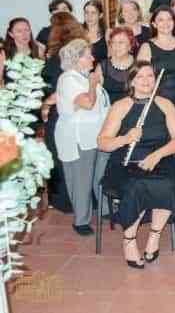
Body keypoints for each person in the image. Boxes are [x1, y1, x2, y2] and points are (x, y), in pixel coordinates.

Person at [97, 61, 175, 269]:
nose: (146, 81)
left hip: (159, 159)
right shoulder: (121, 106)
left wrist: (158, 154)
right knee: (136, 186)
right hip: (125, 163)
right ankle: (129, 240)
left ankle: (154, 236)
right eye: (140, 77)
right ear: (132, 82)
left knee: (168, 184)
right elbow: (102, 142)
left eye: (150, 76)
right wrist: (125, 138)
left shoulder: (165, 104)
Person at [55, 39, 111, 236]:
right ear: (77, 59)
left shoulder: (83, 77)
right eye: (88, 55)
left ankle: (105, 210)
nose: (93, 59)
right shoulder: (69, 79)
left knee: (100, 176)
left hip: (96, 135)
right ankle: (81, 220)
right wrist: (93, 84)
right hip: (78, 137)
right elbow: (87, 103)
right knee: (81, 180)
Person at [137, 7, 175, 167]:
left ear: (174, 22)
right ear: (153, 23)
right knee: (165, 140)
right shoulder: (147, 47)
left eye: (169, 19)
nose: (165, 23)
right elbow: (140, 78)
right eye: (161, 20)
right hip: (160, 101)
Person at [40, 13, 87, 213]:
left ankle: (62, 200)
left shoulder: (57, 57)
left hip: (60, 112)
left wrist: (45, 103)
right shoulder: (81, 50)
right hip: (79, 113)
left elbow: (48, 86)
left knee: (58, 156)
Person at [95, 27, 135, 105]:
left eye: (121, 42)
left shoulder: (138, 66)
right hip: (109, 110)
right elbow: (97, 96)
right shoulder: (102, 67)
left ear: (130, 45)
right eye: (113, 42)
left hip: (133, 109)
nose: (117, 46)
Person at [83, 0, 108, 64]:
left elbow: (111, 58)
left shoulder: (108, 33)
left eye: (93, 13)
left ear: (100, 15)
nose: (89, 16)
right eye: (86, 12)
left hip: (103, 69)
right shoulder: (78, 33)